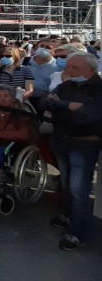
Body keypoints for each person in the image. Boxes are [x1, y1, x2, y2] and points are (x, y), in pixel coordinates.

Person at [46, 52, 102, 250]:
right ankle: (68, 215)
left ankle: (78, 233)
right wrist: (69, 105)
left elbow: (90, 114)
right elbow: (45, 102)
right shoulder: (67, 86)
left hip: (84, 145)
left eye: (74, 67)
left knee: (79, 188)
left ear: (90, 70)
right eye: (68, 66)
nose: (68, 70)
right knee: (66, 182)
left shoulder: (98, 88)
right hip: (62, 140)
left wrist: (59, 104)